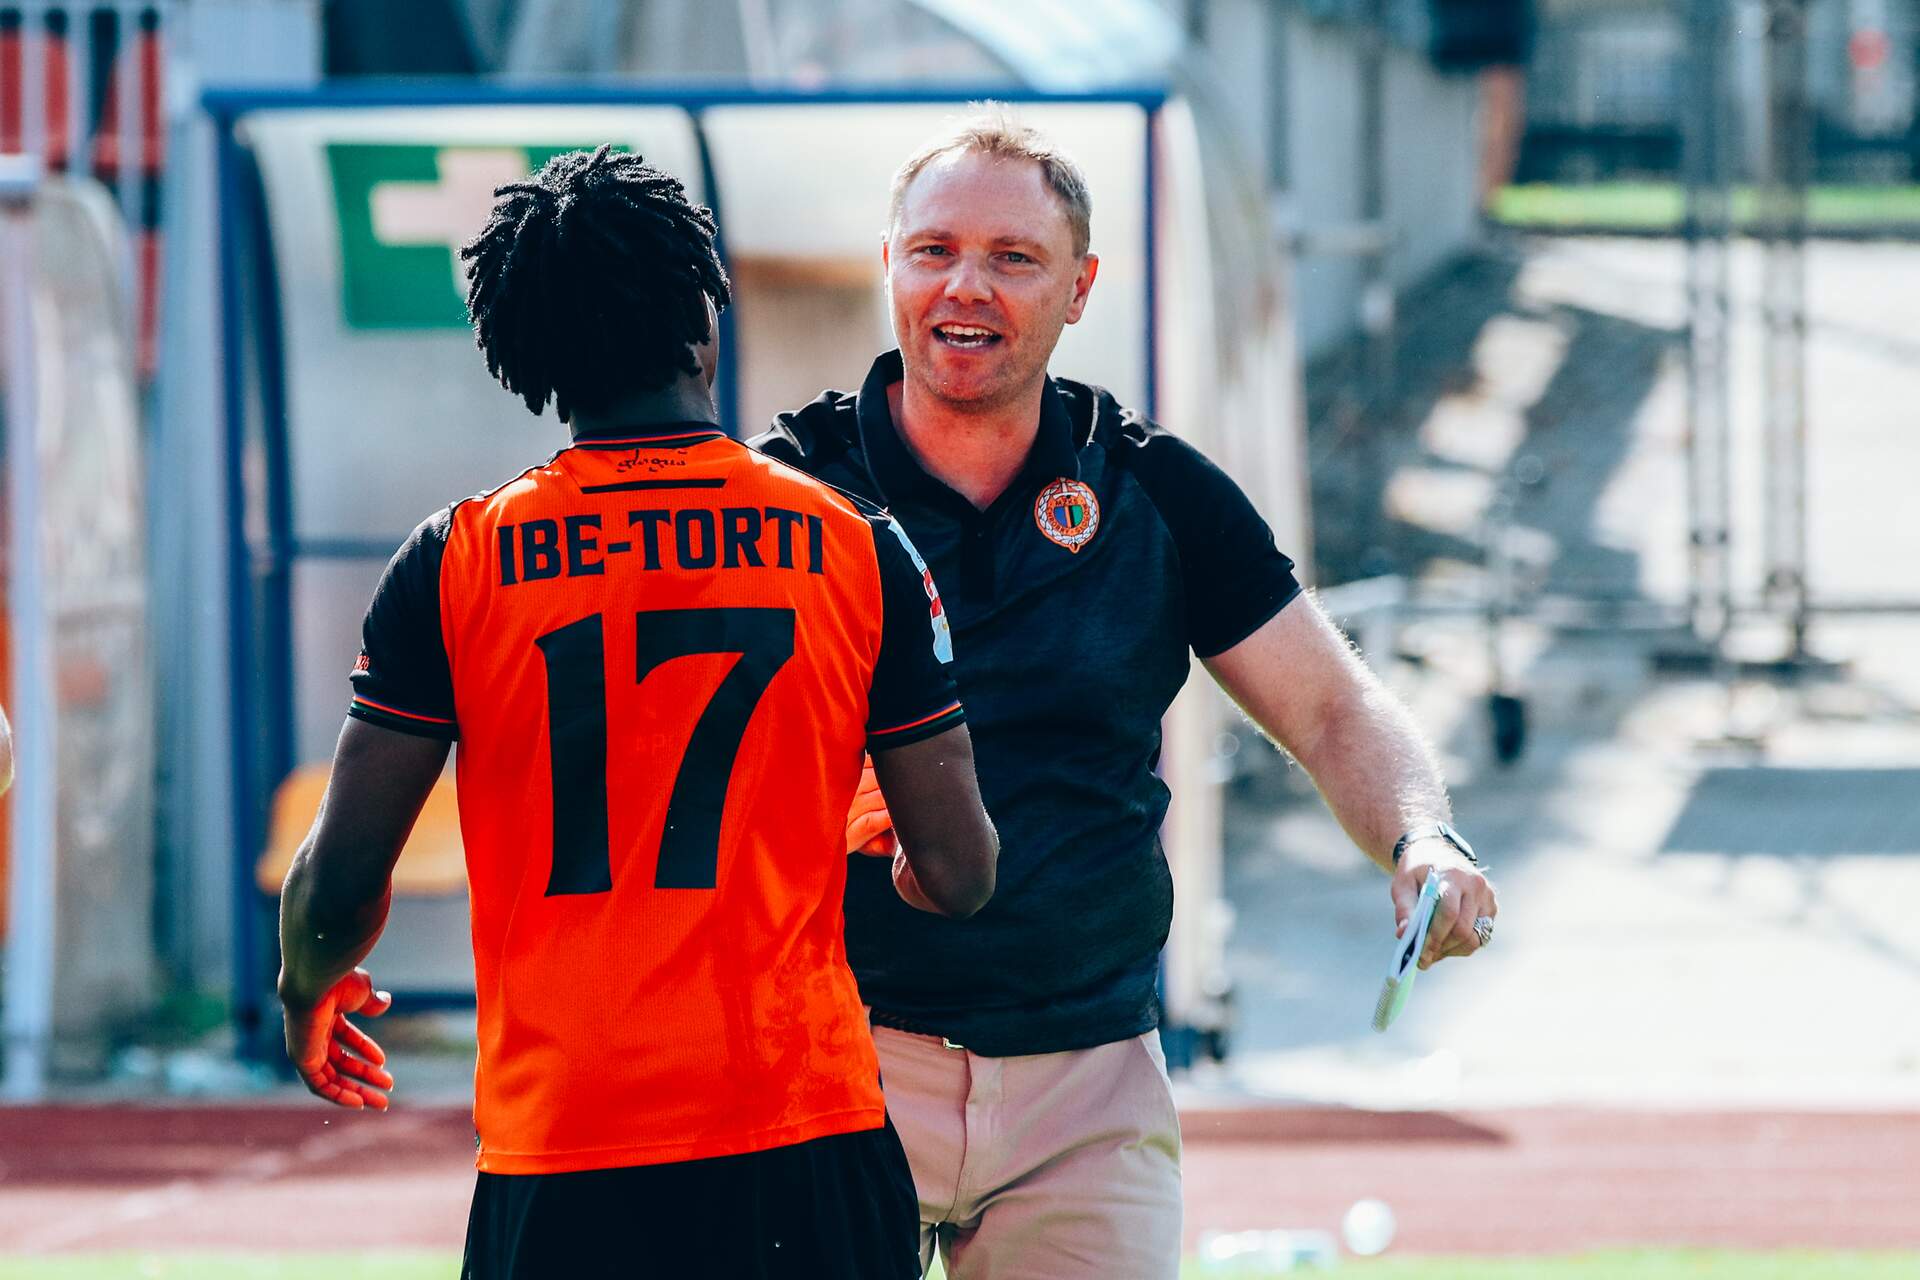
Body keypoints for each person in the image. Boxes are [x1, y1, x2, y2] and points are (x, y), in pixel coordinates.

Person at [751, 106, 1501, 1279]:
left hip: (1087, 1082)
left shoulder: (1157, 489)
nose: (966, 285)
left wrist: (1422, 834)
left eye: (1014, 257)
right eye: (935, 249)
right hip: (827, 1059)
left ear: (1081, 286)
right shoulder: (783, 491)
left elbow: (1331, 706)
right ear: (889, 262)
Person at [276, 145, 998, 1280]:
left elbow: (341, 878)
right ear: (703, 317)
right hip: (798, 1132)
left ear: (526, 355)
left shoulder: (454, 559)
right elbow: (961, 871)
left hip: (565, 1148)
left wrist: (305, 987)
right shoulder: (856, 544)